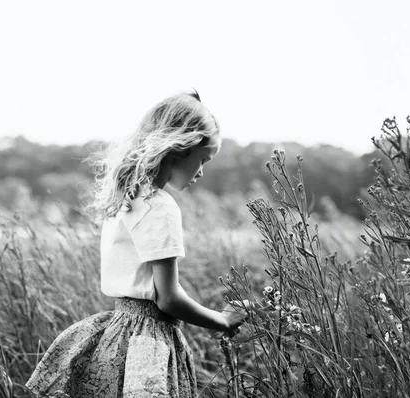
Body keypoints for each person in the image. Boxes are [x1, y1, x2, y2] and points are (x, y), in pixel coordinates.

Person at [25, 90, 247, 397]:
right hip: (149, 342)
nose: (202, 172)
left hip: (119, 334)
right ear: (182, 147)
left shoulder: (125, 200)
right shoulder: (161, 207)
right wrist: (221, 321)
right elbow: (167, 299)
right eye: (203, 159)